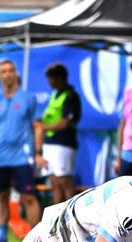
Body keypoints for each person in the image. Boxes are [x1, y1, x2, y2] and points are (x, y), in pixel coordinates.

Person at [0, 59, 45, 242]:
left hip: (22, 157)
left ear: (16, 73)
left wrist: (38, 152)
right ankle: (1, 238)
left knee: (29, 198)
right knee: (2, 197)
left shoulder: (28, 98)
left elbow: (38, 127)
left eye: (11, 70)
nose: (8, 74)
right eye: (4, 71)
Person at [42, 62, 82, 203]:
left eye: (51, 78)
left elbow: (65, 122)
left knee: (65, 182)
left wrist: (43, 128)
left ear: (59, 78)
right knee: (55, 183)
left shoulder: (71, 96)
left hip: (63, 144)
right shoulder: (54, 94)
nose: (49, 81)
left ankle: (72, 214)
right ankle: (57, 215)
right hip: (50, 143)